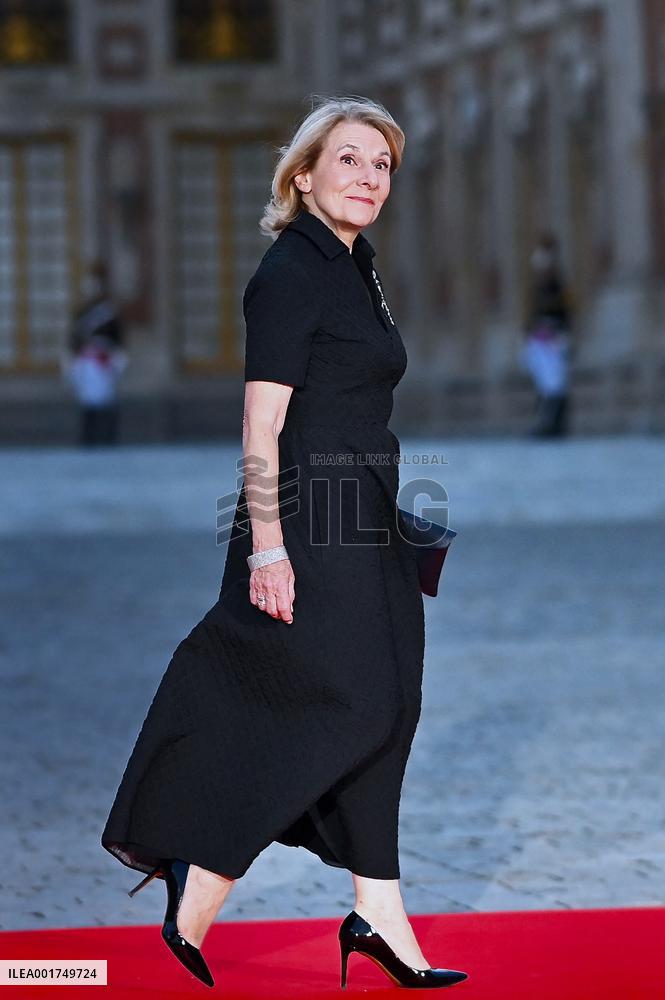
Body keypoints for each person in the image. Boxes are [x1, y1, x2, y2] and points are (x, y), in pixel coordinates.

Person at [100, 97, 468, 991]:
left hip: (370, 513)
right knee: (343, 702)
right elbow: (260, 427)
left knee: (392, 706)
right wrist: (268, 548)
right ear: (302, 175)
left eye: (380, 165)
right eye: (347, 161)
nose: (367, 179)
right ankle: (206, 868)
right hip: (308, 516)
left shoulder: (354, 266)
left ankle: (377, 914)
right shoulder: (291, 272)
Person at [63, 261, 127, 446]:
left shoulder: (110, 312)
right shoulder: (82, 312)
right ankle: (88, 436)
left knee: (107, 399)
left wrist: (118, 360)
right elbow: (74, 338)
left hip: (104, 361)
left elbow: (118, 339)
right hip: (87, 361)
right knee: (87, 399)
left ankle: (108, 437)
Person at [521, 232, 573, 437]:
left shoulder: (559, 287)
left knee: (557, 383)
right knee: (544, 383)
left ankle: (556, 424)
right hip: (539, 340)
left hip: (555, 338)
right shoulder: (537, 288)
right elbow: (533, 312)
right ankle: (545, 421)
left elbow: (566, 311)